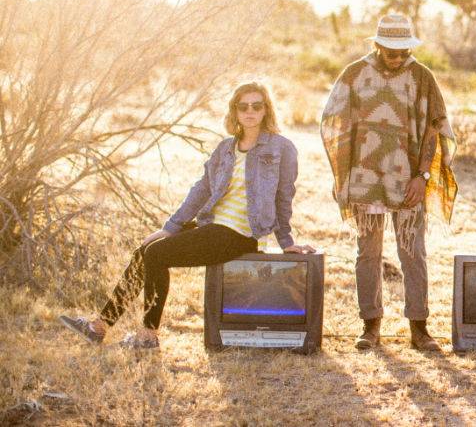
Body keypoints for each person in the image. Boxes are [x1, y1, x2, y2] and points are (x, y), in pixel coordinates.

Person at [59, 81, 314, 349]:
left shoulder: (281, 148)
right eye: (243, 106)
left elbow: (284, 197)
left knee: (157, 255)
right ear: (235, 111)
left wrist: (287, 242)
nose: (250, 111)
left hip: (240, 234)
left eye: (256, 106)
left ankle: (148, 336)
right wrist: (171, 227)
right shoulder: (225, 148)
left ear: (266, 110)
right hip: (213, 226)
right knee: (145, 249)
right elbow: (202, 189)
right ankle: (99, 327)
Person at [320, 13, 457, 351]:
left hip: (408, 180)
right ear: (377, 45)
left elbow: (434, 128)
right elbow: (333, 120)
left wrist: (422, 176)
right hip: (365, 179)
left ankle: (419, 328)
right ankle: (370, 326)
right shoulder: (354, 74)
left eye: (403, 52)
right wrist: (344, 174)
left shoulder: (422, 76)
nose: (398, 58)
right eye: (391, 51)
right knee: (367, 252)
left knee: (413, 252)